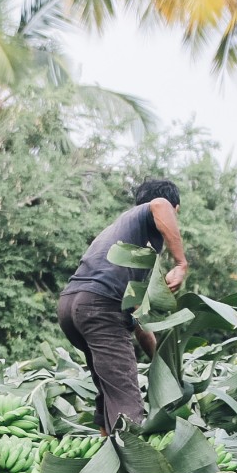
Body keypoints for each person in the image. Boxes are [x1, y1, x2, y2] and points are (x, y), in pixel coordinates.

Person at [57, 179, 190, 432]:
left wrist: (160, 363)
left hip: (72, 306)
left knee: (110, 391)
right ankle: (134, 465)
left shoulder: (127, 237)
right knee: (128, 403)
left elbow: (137, 317)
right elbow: (161, 205)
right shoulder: (154, 210)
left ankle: (106, 453)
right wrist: (181, 263)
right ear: (177, 209)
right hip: (99, 306)